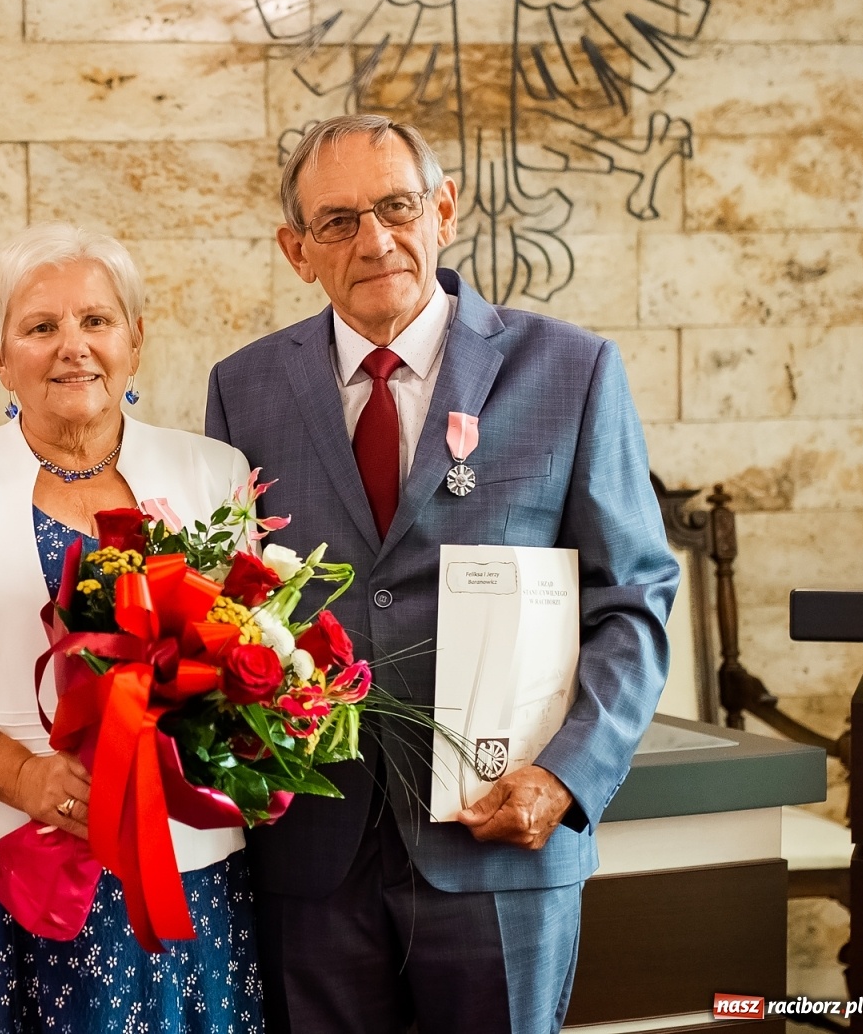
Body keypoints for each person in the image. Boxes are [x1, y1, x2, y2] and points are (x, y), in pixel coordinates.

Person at [206, 115, 679, 1034]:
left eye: (396, 206)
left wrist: (566, 778)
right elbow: (233, 596)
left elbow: (634, 601)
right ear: (296, 251)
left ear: (445, 210)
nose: (375, 239)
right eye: (338, 221)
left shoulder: (572, 370)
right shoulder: (245, 388)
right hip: (311, 853)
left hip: (501, 840)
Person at [0, 223, 264, 1033]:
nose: (72, 346)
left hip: (171, 865)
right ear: (0, 355)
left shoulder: (211, 471)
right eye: (41, 327)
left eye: (96, 322)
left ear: (135, 342)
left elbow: (246, 651)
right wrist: (26, 777)